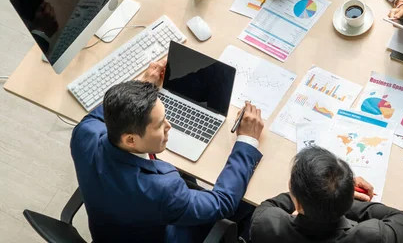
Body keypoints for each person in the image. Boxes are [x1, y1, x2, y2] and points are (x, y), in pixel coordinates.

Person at [70, 59, 264, 243]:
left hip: (111, 229)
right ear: (130, 139)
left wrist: (142, 87)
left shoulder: (84, 135)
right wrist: (247, 140)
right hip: (163, 235)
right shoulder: (162, 188)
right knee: (248, 203)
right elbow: (223, 202)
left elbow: (103, 113)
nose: (169, 126)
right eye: (160, 124)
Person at [250, 146, 403, 242]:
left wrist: (310, 194)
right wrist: (340, 196)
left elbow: (270, 205)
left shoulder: (266, 223)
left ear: (298, 203)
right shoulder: (370, 237)